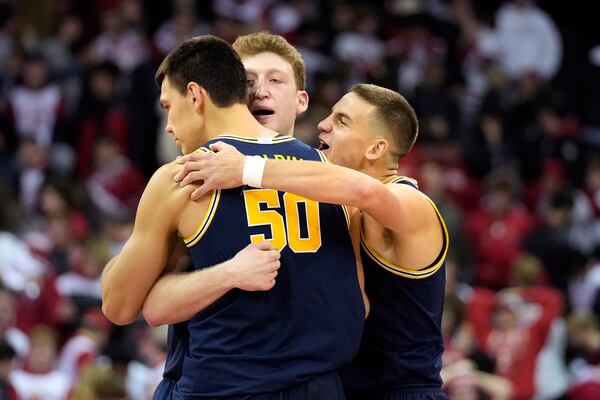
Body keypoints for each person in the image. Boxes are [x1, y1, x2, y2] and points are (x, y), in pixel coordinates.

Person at [101, 35, 365, 399]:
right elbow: (360, 302)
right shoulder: (334, 176)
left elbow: (119, 305)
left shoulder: (184, 176)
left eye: (167, 106)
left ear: (195, 96)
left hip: (223, 385)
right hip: (322, 385)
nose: (168, 125)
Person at [175, 83, 449, 399]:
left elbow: (366, 192)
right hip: (334, 385)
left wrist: (246, 168)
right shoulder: (334, 205)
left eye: (342, 121)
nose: (323, 124)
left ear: (376, 149)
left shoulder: (411, 202)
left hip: (401, 390)